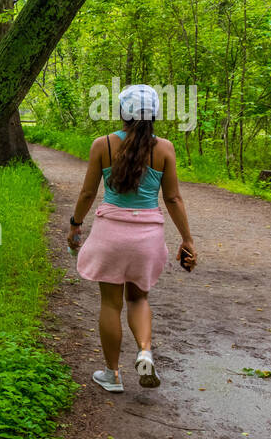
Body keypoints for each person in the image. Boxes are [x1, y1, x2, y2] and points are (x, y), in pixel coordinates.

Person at [67, 84, 197, 392]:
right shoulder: (164, 148)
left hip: (110, 233)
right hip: (146, 237)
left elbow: (88, 192)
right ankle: (144, 350)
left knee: (111, 305)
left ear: (122, 113)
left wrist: (75, 224)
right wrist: (187, 240)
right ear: (154, 114)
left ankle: (112, 375)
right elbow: (174, 198)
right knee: (138, 298)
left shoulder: (103, 145)